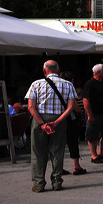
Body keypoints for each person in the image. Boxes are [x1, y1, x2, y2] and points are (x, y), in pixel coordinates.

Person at [26, 60, 76, 192]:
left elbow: (31, 107)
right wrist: (57, 121)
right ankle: (57, 182)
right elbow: (70, 107)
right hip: (59, 119)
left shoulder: (36, 84)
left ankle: (38, 183)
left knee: (38, 152)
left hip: (39, 119)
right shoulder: (68, 84)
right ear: (58, 70)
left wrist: (42, 124)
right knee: (57, 151)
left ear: (44, 71)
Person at [83, 64, 103, 163]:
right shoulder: (90, 84)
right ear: (98, 72)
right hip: (94, 113)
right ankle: (94, 155)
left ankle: (101, 152)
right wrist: (89, 114)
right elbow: (86, 100)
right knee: (92, 135)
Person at [59, 71, 87, 176]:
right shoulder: (69, 87)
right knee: (73, 143)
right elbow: (75, 106)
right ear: (71, 80)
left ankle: (59, 167)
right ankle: (76, 166)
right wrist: (80, 113)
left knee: (58, 144)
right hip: (70, 119)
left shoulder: (55, 87)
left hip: (58, 118)